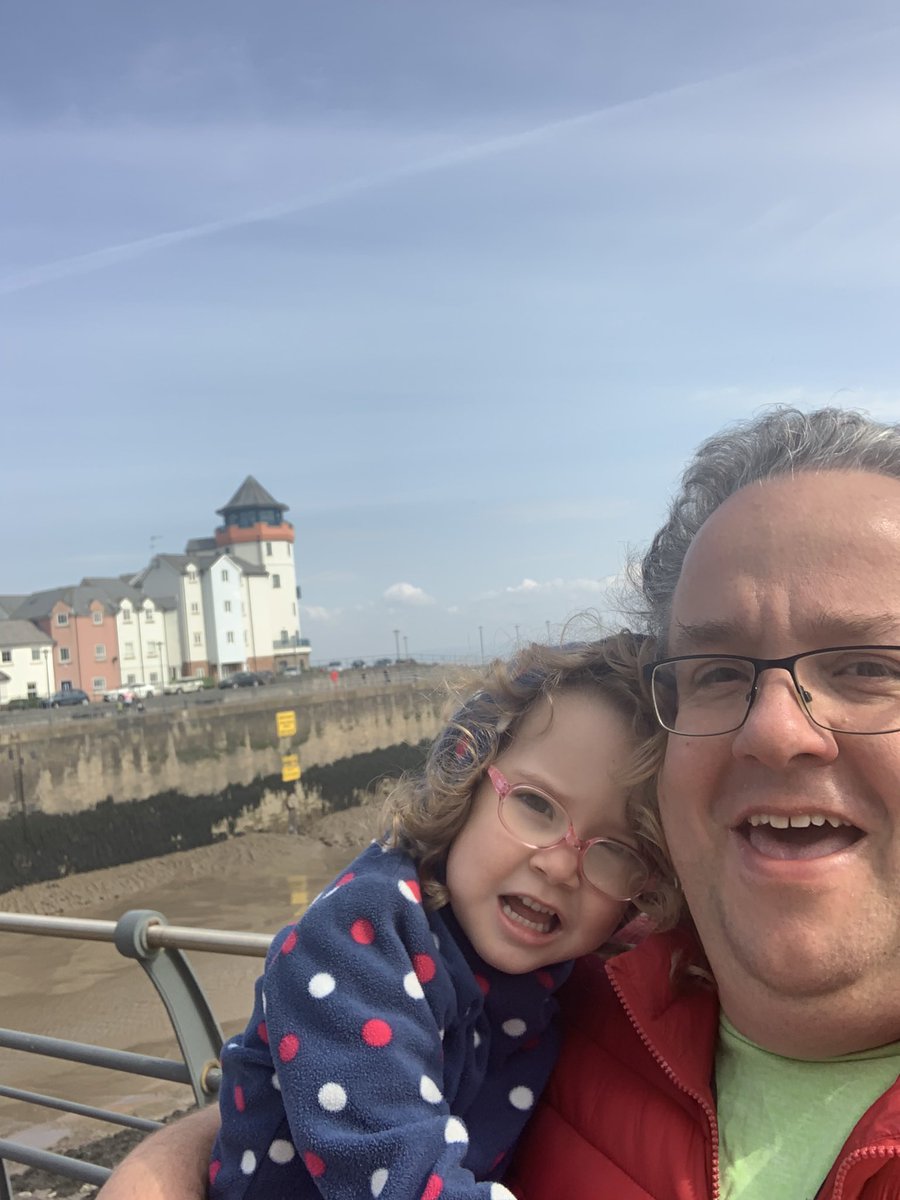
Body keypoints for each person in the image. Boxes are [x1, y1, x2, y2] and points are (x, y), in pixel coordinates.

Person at [99, 404, 900, 1200]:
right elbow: (358, 1120)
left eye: (869, 666)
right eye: (718, 672)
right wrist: (171, 1163)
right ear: (468, 783)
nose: (775, 729)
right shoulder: (562, 984)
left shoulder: (558, 964)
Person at [181, 636, 677, 1200]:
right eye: (536, 804)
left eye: (616, 851)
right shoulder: (359, 937)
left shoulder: (555, 982)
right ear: (466, 779)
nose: (561, 866)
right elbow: (402, 1177)